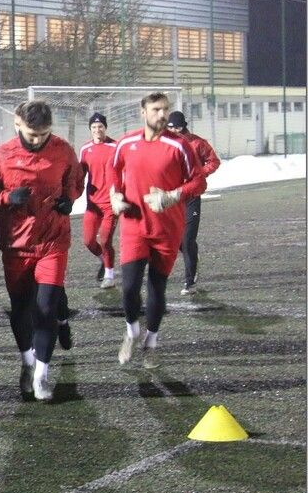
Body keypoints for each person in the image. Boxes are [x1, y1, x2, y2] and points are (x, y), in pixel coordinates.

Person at [0, 100, 82, 402]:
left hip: (53, 241)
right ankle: (27, 361)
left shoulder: (63, 150)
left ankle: (42, 375)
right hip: (16, 245)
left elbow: (74, 181)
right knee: (22, 308)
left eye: (44, 134)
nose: (38, 141)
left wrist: (70, 199)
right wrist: (7, 197)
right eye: (32, 135)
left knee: (47, 307)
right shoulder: (2, 155)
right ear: (17, 124)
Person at [109, 92, 206, 368]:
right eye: (156, 109)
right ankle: (131, 332)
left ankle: (151, 343)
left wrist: (174, 195)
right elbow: (112, 169)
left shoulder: (180, 146)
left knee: (156, 288)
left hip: (167, 228)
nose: (162, 115)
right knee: (128, 287)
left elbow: (199, 182)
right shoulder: (126, 142)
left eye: (165, 109)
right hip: (134, 226)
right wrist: (115, 194)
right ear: (143, 112)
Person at [167, 110, 221, 295]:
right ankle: (193, 254)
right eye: (171, 127)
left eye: (178, 126)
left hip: (191, 198)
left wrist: (199, 174)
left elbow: (214, 161)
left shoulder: (197, 143)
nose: (174, 130)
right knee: (175, 240)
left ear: (184, 126)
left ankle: (189, 282)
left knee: (187, 238)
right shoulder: (164, 144)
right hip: (172, 198)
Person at [78, 112, 119, 289]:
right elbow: (79, 175)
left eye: (100, 126)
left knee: (105, 239)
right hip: (92, 204)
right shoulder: (85, 149)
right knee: (88, 241)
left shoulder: (116, 147)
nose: (97, 130)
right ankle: (104, 259)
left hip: (111, 203)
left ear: (105, 128)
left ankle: (109, 274)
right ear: (90, 129)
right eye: (94, 127)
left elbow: (124, 171)